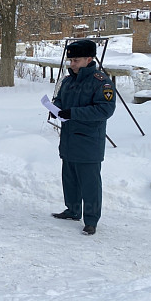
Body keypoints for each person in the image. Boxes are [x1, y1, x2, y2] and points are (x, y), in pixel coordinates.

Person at [51, 39, 116, 235]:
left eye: (76, 60)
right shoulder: (68, 81)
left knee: (89, 184)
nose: (72, 64)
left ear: (89, 59)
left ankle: (91, 221)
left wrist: (73, 113)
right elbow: (60, 101)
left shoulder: (101, 82)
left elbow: (105, 109)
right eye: (70, 60)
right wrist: (56, 109)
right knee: (69, 178)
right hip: (69, 140)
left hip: (88, 143)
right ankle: (72, 210)